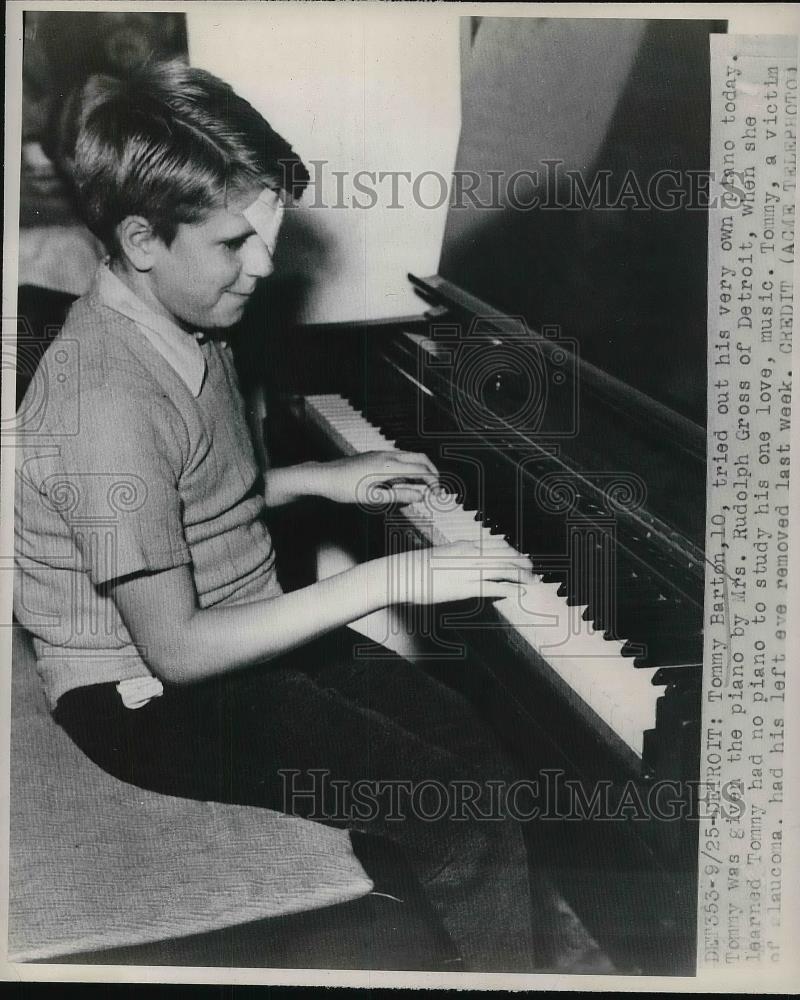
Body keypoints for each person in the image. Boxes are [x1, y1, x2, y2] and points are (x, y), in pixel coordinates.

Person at [14, 59, 607, 973]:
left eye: (272, 234)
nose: (264, 266)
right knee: (455, 812)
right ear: (140, 239)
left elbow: (190, 499)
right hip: (146, 692)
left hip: (231, 636)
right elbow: (177, 647)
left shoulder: (185, 320)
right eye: (233, 244)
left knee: (476, 753)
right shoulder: (104, 402)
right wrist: (389, 578)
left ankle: (445, 941)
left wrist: (314, 484)